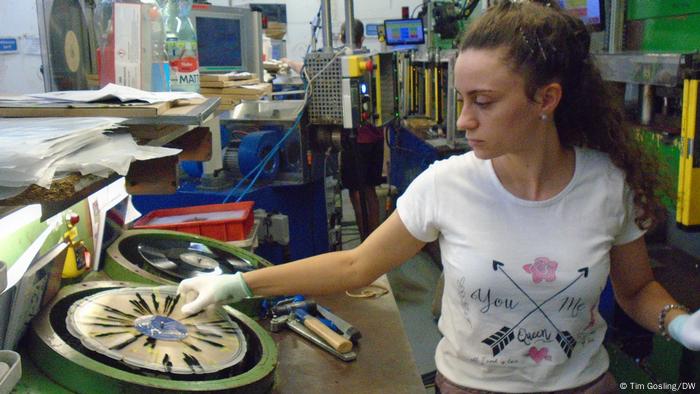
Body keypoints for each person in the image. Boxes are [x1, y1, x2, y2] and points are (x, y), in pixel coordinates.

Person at [178, 2, 700, 393]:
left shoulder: (607, 185)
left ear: (547, 99)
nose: (466, 120)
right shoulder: (447, 184)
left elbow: (636, 289)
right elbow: (356, 266)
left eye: (484, 102)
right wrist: (238, 284)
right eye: (460, 100)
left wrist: (678, 321)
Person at [283, 19, 384, 240]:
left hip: (355, 138)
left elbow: (310, 73)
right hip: (376, 137)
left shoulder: (339, 61)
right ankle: (376, 241)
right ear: (361, 37)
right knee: (369, 190)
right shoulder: (369, 58)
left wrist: (289, 62)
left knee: (357, 194)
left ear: (340, 37)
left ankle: (367, 242)